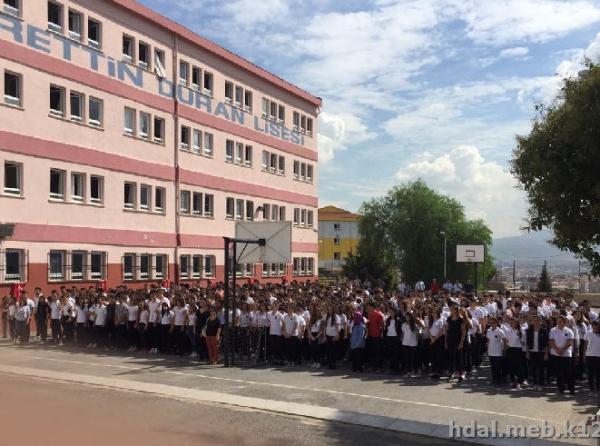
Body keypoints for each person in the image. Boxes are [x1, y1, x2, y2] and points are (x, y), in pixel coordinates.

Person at [549, 315, 575, 395]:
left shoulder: (569, 331)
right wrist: (557, 349)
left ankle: (571, 389)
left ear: (564, 322)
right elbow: (551, 341)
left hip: (566, 354)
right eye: (557, 321)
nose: (558, 322)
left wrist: (562, 349)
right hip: (555, 354)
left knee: (568, 372)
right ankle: (561, 389)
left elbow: (569, 342)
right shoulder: (553, 330)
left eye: (560, 321)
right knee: (558, 373)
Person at [525, 315, 549, 391]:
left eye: (537, 320)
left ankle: (541, 384)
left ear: (540, 321)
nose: (535, 322)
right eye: (534, 320)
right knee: (533, 369)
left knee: (541, 369)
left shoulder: (544, 330)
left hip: (541, 352)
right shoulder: (529, 330)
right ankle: (535, 383)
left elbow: (546, 343)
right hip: (532, 352)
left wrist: (546, 354)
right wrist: (527, 352)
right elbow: (527, 343)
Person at [486, 317, 505, 387]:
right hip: (491, 351)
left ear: (496, 323)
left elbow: (504, 339)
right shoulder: (488, 330)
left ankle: (499, 381)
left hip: (498, 352)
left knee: (498, 367)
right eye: (490, 323)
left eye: (493, 322)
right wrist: (487, 349)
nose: (492, 324)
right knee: (493, 367)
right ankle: (494, 380)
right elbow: (488, 340)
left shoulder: (500, 331)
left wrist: (503, 349)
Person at [585, 320, 600, 393]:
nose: (595, 327)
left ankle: (598, 387)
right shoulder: (588, 333)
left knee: (598, 373)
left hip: (598, 356)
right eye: (593, 325)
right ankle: (591, 387)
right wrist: (584, 353)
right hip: (589, 355)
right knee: (590, 372)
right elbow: (585, 344)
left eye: (596, 325)